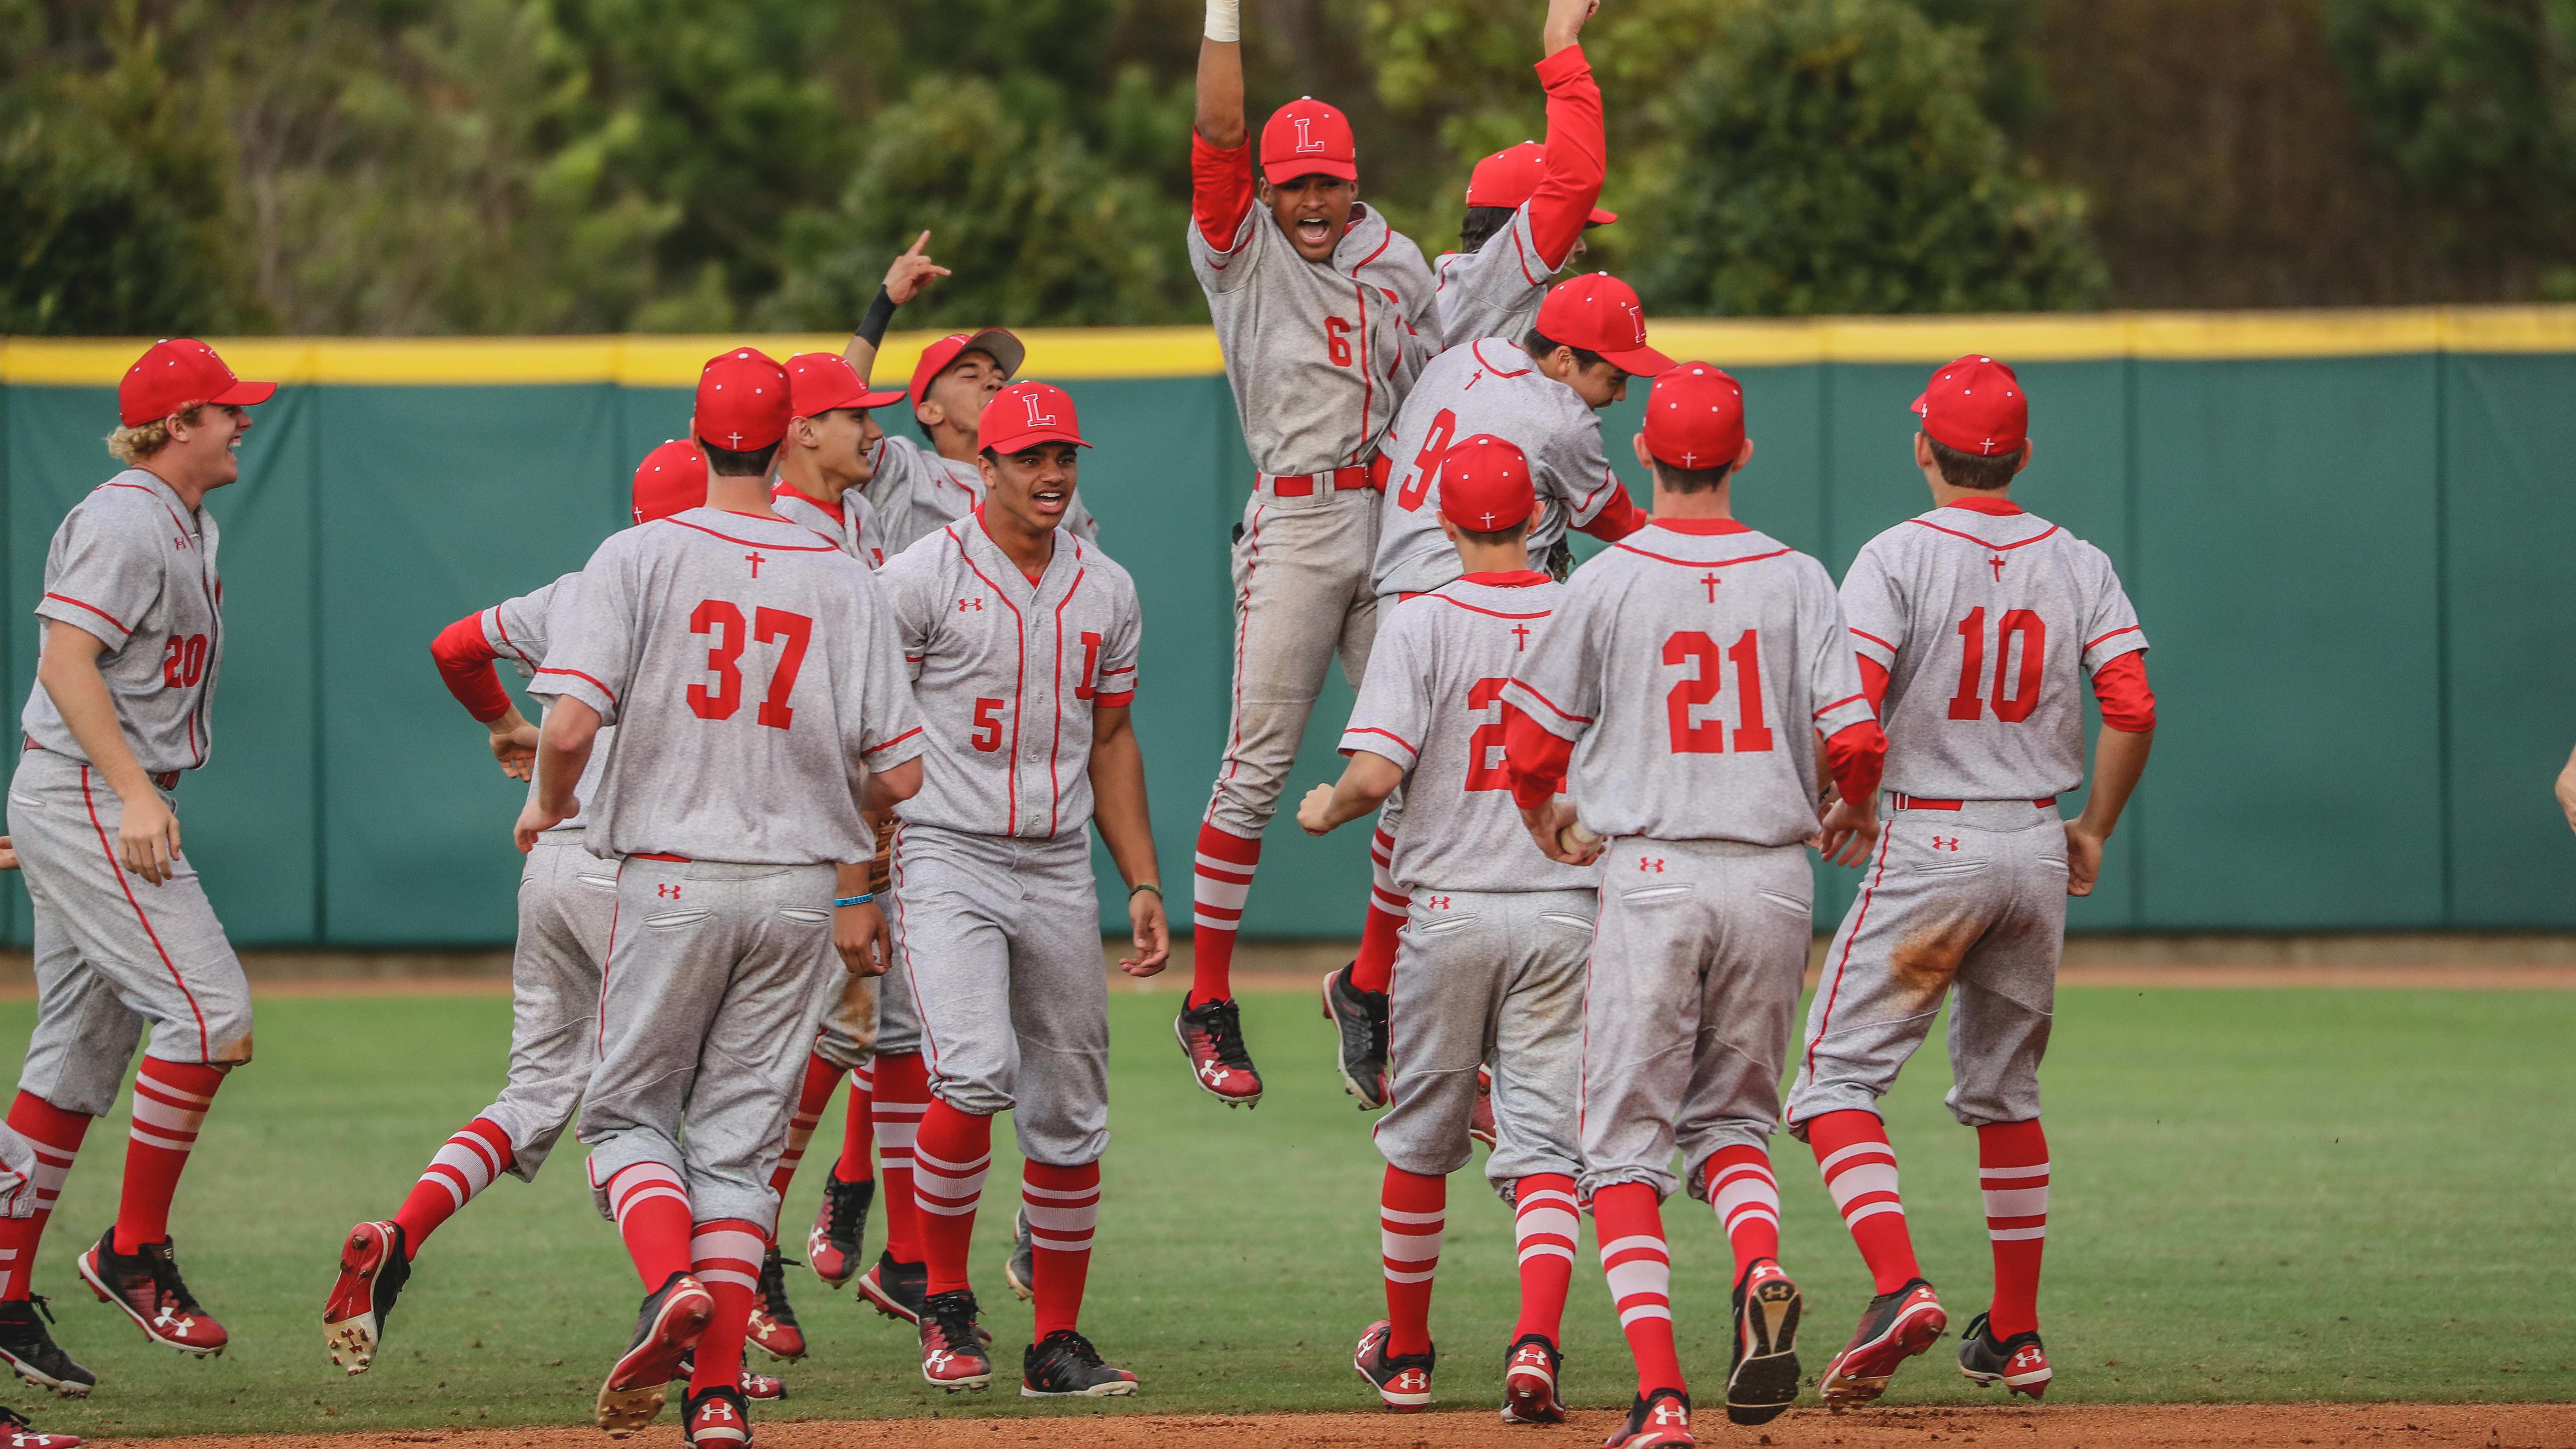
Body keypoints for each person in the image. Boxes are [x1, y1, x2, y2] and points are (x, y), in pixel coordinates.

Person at [522, 348, 926, 1446]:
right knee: (740, 1150)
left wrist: (548, 801)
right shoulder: (841, 572)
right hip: (800, 890)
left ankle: (667, 1287)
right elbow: (900, 775)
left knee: (623, 1114)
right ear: (786, 432)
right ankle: (712, 1395)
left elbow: (564, 725)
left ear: (699, 438)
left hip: (668, 877)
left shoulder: (638, 554)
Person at [1501, 364, 1888, 1446]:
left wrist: (1543, 815)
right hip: (1771, 874)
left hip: (1654, 872)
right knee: (1730, 1121)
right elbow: (1855, 736)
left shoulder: (1609, 580)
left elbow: (1529, 741)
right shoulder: (1800, 577)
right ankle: (1758, 1260)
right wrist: (1848, 805)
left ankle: (1660, 1396)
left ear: (1642, 458)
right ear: (1743, 455)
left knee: (1621, 1146)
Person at [1786, 356, 2157, 1408]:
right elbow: (2132, 704)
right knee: (2006, 1093)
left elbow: (1850, 709)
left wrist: (1850, 800)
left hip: (1930, 844)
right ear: (2024, 455)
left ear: (1924, 449)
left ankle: (1899, 1284)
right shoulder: (2075, 559)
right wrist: (2092, 828)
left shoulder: (1896, 555)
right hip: (2036, 846)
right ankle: (2019, 1334)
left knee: (1832, 1085)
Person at [322, 441, 711, 1378]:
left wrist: (502, 722)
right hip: (643, 877)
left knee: (537, 1092)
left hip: (553, 869)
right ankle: (683, 1308)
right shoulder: (726, 595)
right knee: (661, 1114)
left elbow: (453, 647)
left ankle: (399, 1234)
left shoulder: (580, 587)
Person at [868, 381, 1167, 1396]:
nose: (1052, 475)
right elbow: (865, 738)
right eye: (1030, 457)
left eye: (1064, 457)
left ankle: (1055, 1343)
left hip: (1053, 861)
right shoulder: (916, 579)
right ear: (981, 467)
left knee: (1074, 1108)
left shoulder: (1108, 587)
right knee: (974, 1072)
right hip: (941, 850)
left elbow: (1113, 739)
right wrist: (855, 882)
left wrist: (1142, 879)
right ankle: (943, 1301)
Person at [1294, 435, 1598, 1421]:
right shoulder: (1579, 610)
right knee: (1548, 1147)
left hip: (1449, 914)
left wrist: (1327, 808)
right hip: (1563, 911)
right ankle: (1535, 1349)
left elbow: (1378, 776)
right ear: (1536, 518)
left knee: (1422, 1143)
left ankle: (1412, 1356)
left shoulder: (1420, 622)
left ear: (1445, 522)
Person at [0, 340, 275, 1396]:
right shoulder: (124, 520)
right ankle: (131, 1251)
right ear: (176, 425)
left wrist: (82, 807)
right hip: (99, 789)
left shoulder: (184, 520)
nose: (243, 422)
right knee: (212, 1016)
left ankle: (7, 1295)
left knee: (69, 1067)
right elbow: (65, 660)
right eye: (226, 411)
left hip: (86, 795)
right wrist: (118, 794)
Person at [1181, 0, 1440, 1105]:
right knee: (1256, 765)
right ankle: (1206, 999)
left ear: (1352, 178)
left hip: (1388, 522)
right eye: (1293, 184)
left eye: (1325, 181)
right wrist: (1224, 15)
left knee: (1420, 765)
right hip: (1293, 518)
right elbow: (1218, 135)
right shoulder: (1241, 250)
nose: (1311, 201)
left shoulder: (1401, 262)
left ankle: (1370, 983)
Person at [1321, 274, 1658, 1107]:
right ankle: (1420, 1011)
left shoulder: (1465, 357)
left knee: (1421, 804)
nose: (1619, 391)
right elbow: (1612, 518)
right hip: (1482, 593)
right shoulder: (1561, 414)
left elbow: (1393, 464)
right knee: (1506, 800)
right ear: (1567, 357)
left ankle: (1379, 989)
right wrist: (1682, 556)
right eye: (1612, 373)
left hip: (1406, 585)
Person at [745, 353, 913, 1359]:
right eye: (852, 415)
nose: (870, 427)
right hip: (799, 842)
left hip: (847, 832)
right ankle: (735, 1260)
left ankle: (754, 1247)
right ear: (802, 434)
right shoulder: (785, 541)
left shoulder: (848, 525)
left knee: (843, 1045)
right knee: (764, 1065)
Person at [840, 234, 1103, 549]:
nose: (993, 383)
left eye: (998, 376)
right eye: (970, 375)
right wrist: (883, 305)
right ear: (930, 410)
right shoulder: (906, 471)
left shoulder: (1047, 479)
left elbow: (1090, 576)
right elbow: (839, 402)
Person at [1434, 0, 1615, 346]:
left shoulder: (1475, 291)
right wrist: (1561, 39)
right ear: (1521, 226)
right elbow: (1577, 179)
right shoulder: (1494, 283)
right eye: (1572, 226)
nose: (1580, 246)